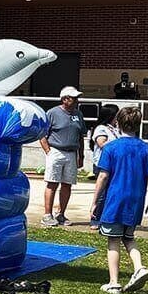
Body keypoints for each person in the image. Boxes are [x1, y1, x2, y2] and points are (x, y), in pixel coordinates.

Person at [90, 107, 148, 294]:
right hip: (136, 201)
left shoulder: (111, 147)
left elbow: (103, 176)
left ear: (117, 123)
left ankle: (114, 282)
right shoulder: (145, 147)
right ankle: (139, 267)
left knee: (113, 240)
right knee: (129, 237)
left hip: (115, 200)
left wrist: (95, 201)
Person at [40, 87, 87, 227]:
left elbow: (80, 136)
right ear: (65, 99)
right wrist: (48, 151)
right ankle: (47, 215)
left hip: (72, 152)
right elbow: (42, 134)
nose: (77, 100)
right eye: (74, 98)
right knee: (52, 182)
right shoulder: (52, 113)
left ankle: (61, 214)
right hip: (56, 150)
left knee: (67, 184)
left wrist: (81, 155)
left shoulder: (78, 114)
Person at [87, 104, 121, 229]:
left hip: (114, 164)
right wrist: (119, 144)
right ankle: (95, 219)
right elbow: (102, 143)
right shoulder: (101, 128)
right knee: (101, 193)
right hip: (102, 164)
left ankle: (107, 218)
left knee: (110, 193)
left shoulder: (114, 129)